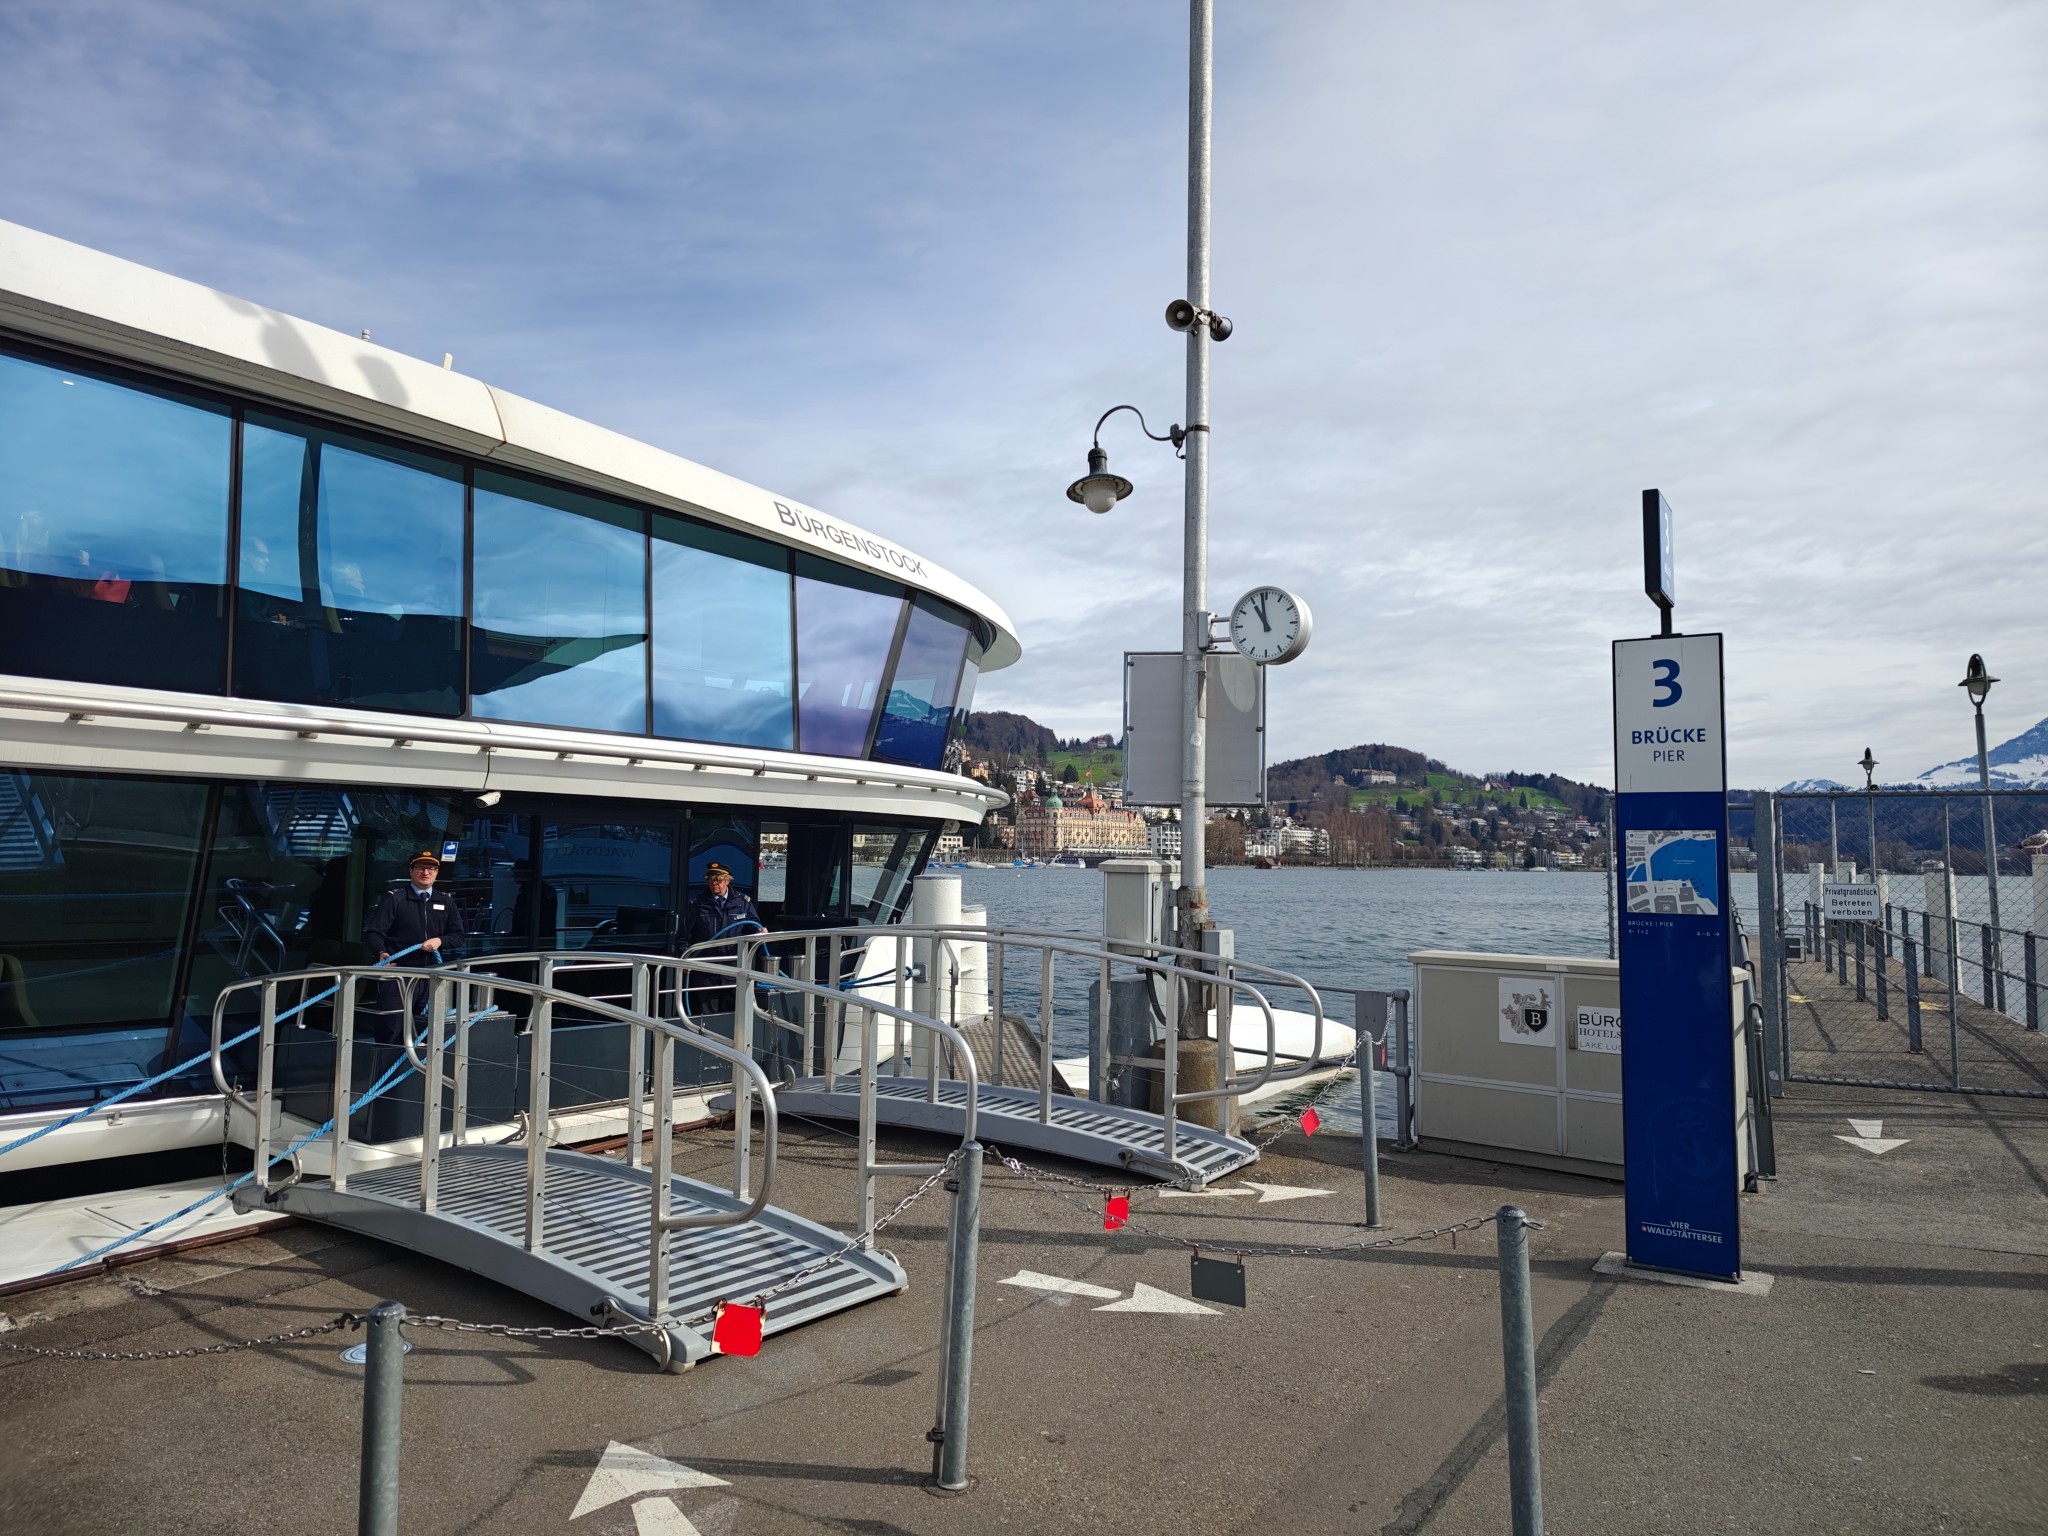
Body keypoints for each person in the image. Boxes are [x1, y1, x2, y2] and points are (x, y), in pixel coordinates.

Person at [361, 850, 466, 1044]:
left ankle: (420, 1063)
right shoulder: (396, 898)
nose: (426, 872)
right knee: (391, 1029)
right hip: (398, 975)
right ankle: (388, 1063)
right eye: (420, 867)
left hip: (431, 976)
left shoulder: (446, 901)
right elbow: (374, 933)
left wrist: (440, 941)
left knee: (426, 1031)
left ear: (437, 872)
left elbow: (458, 936)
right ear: (411, 871)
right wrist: (382, 953)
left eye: (431, 868)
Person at [684, 861, 763, 1019]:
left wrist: (760, 931)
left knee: (733, 1016)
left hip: (733, 971)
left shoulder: (742, 903)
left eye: (718, 880)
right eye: (710, 879)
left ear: (727, 880)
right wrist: (685, 959)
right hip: (706, 971)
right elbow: (684, 935)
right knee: (707, 1018)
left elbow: (753, 927)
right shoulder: (697, 904)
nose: (714, 883)